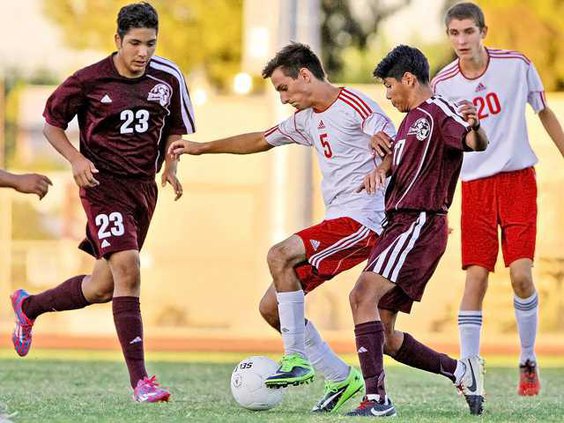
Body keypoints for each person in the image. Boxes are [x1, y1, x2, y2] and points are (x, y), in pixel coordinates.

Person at [168, 42, 395, 413]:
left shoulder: (354, 104)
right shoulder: (307, 119)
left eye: (283, 88)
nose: (283, 97)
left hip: (363, 221)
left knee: (279, 254)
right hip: (337, 223)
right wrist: (202, 147)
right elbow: (260, 139)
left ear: (304, 75)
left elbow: (390, 140)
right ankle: (341, 377)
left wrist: (380, 160)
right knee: (272, 307)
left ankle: (295, 358)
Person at [9, 2, 195, 403]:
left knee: (101, 288)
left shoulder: (169, 78)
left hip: (143, 189)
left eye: (150, 43)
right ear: (117, 40)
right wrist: (76, 159)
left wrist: (172, 165)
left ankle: (29, 307)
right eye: (134, 43)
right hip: (101, 185)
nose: (142, 52)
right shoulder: (89, 80)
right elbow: (51, 124)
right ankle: (141, 381)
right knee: (129, 268)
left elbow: (174, 131)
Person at [346, 45, 489, 418]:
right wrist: (383, 167)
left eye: (390, 86)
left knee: (362, 296)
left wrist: (475, 125)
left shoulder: (438, 111)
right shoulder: (409, 120)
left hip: (419, 222)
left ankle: (376, 401)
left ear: (409, 79)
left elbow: (473, 142)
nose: (388, 94)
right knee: (387, 337)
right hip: (399, 224)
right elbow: (403, 156)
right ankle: (461, 371)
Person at [432, 2, 564, 396]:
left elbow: (544, 112)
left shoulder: (516, 65)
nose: (461, 40)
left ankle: (527, 356)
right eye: (454, 33)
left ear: (483, 32)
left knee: (521, 276)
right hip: (474, 189)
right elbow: (443, 148)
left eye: (468, 32)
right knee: (475, 278)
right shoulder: (442, 85)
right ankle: (470, 373)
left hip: (518, 181)